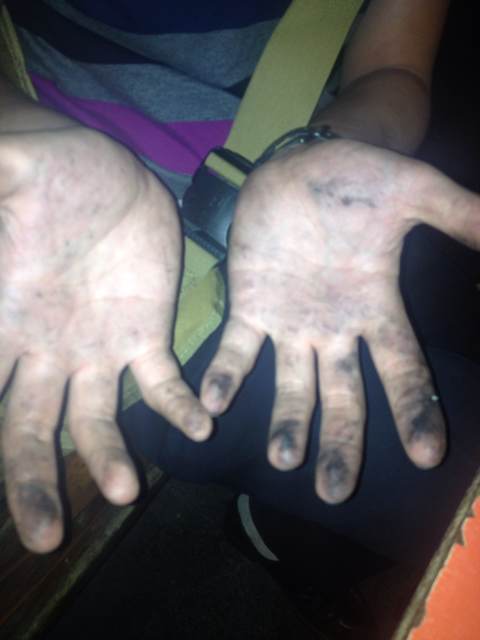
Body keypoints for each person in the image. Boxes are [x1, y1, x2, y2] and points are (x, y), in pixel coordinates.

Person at [1, 1, 479, 602]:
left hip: (315, 212)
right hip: (88, 276)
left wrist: (326, 145)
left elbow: (394, 69)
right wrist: (23, 126)